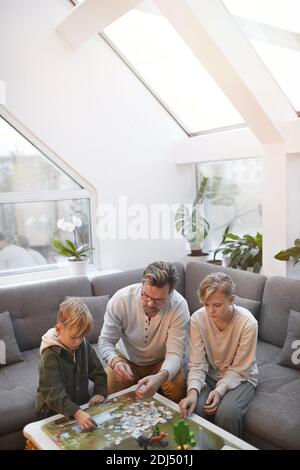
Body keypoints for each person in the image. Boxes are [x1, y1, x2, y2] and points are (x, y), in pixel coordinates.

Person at [179, 272, 258, 438]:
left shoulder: (248, 323)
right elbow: (197, 364)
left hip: (241, 376)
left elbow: (239, 369)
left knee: (227, 414)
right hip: (210, 374)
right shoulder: (197, 319)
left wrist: (219, 390)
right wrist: (192, 393)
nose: (210, 311)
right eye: (206, 304)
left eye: (216, 305)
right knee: (196, 410)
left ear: (231, 300)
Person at [98, 261, 190, 403]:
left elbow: (175, 354)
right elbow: (105, 341)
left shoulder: (179, 306)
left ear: (170, 294)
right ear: (142, 285)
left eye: (159, 300)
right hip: (126, 359)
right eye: (146, 295)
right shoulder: (121, 300)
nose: (150, 304)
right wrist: (115, 362)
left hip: (162, 361)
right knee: (105, 387)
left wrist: (160, 377)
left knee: (178, 387)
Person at [36, 298, 107, 431]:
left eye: (82, 336)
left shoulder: (83, 344)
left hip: (79, 406)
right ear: (58, 330)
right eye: (74, 337)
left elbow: (98, 371)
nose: (78, 342)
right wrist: (77, 412)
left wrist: (100, 393)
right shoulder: (49, 355)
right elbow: (53, 392)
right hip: (53, 411)